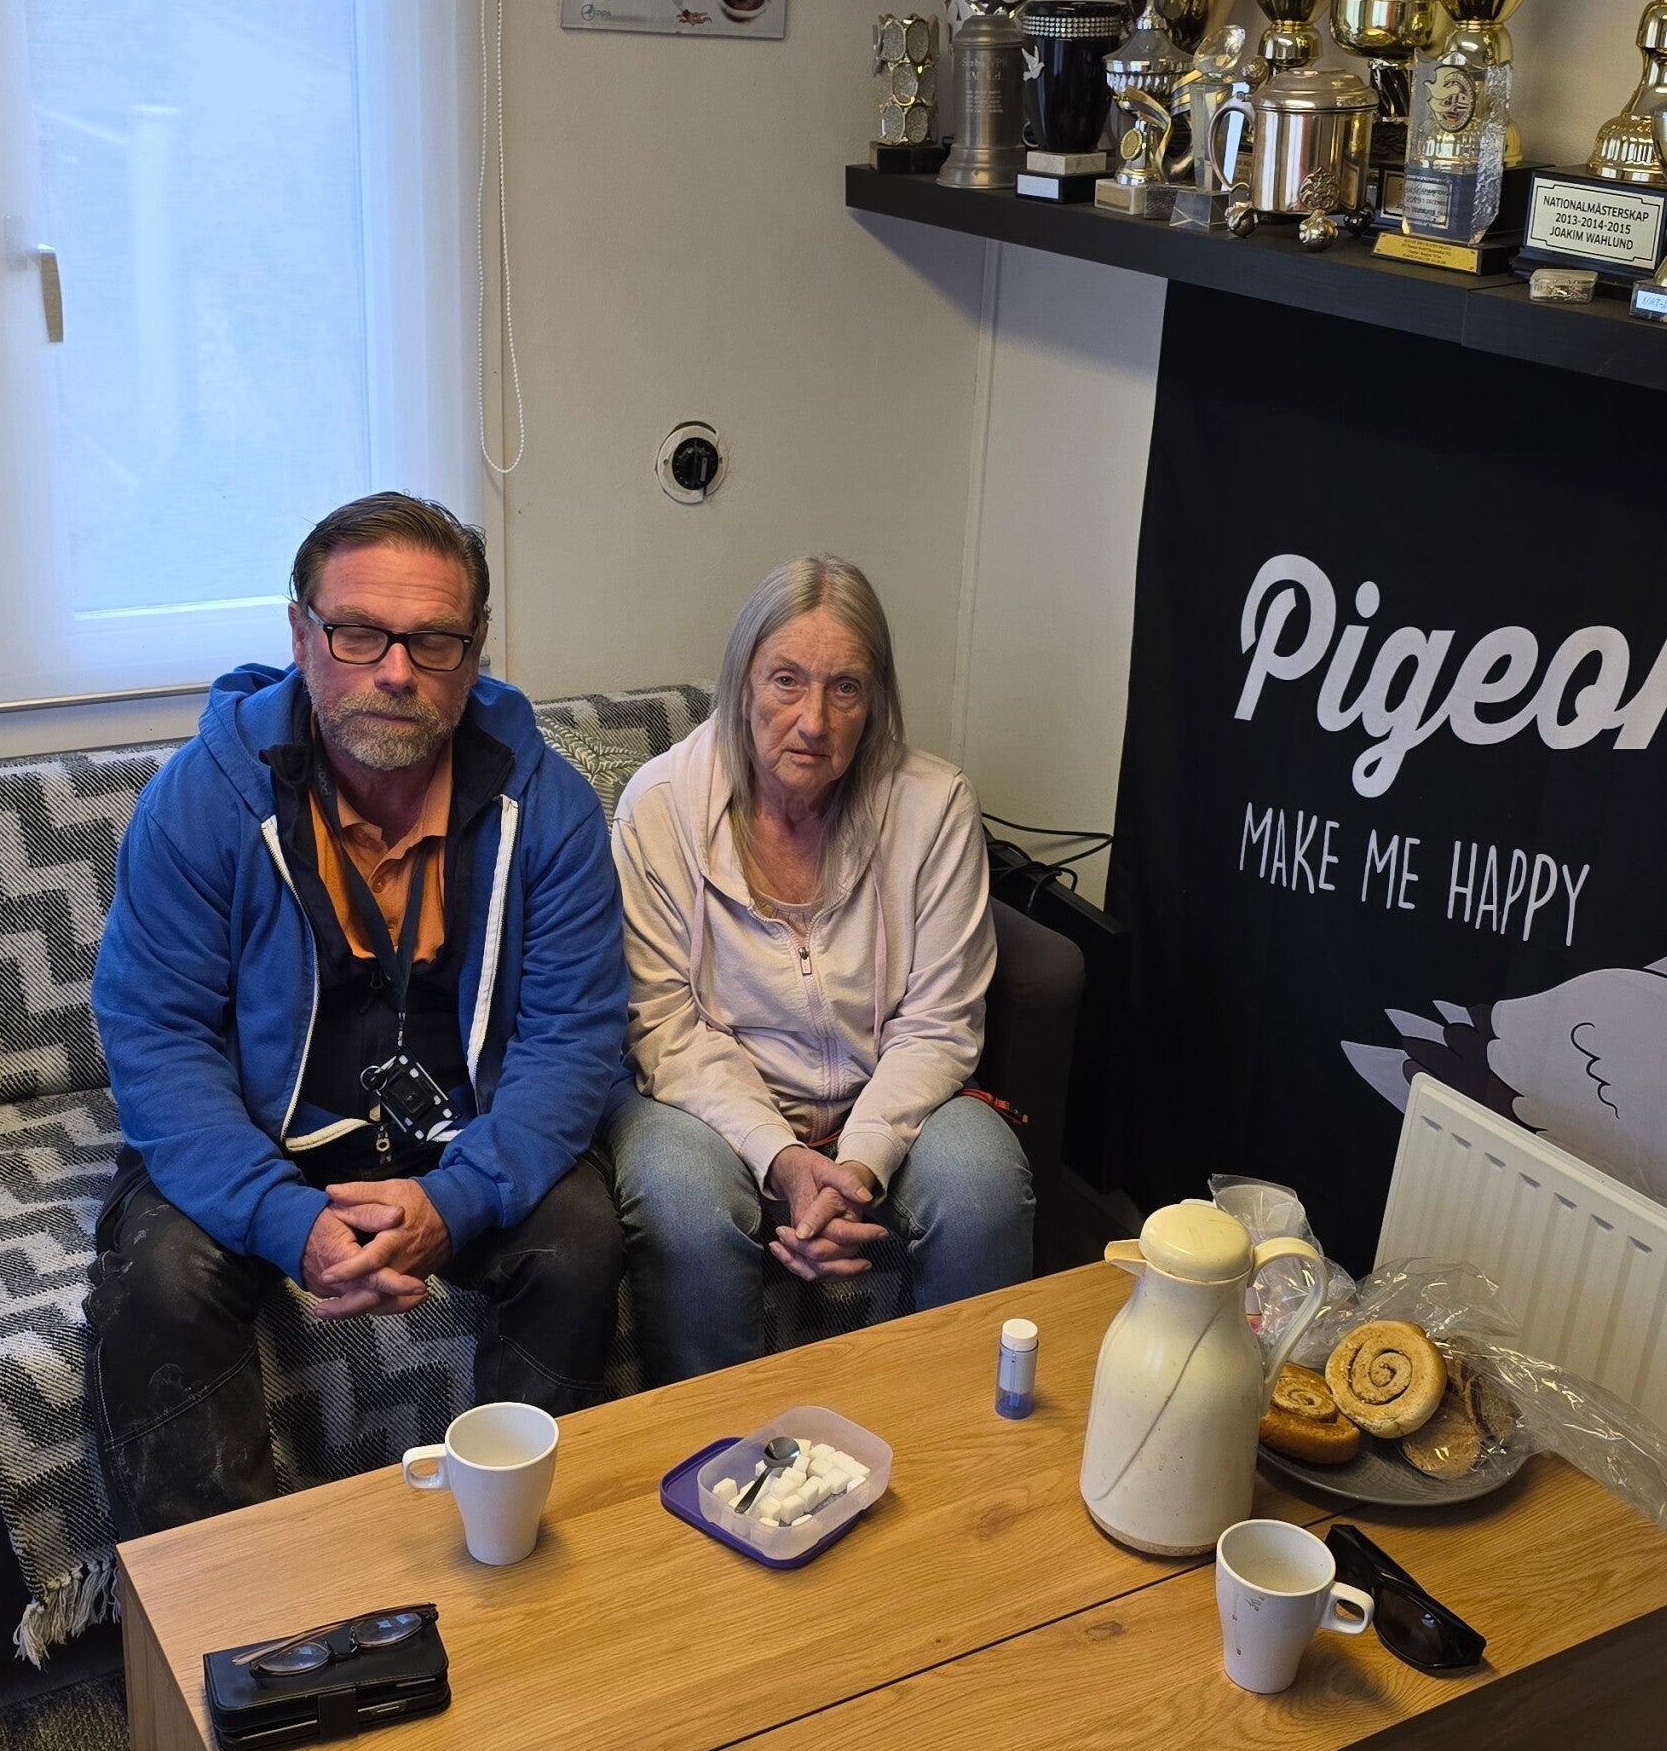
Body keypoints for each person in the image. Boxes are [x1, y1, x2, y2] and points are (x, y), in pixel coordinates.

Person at [86, 493, 628, 1535]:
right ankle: (221, 1596)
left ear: (473, 652)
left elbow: (572, 1042)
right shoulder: (200, 799)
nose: (395, 670)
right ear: (301, 635)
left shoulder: (550, 809)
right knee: (160, 1279)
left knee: (576, 1240)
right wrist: (285, 1219)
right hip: (255, 1136)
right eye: (358, 633)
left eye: (432, 640)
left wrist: (455, 1200)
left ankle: (519, 1548)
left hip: (463, 1139)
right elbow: (158, 1040)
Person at [605, 554, 1033, 1382]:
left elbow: (939, 1022)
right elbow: (665, 1028)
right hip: (706, 1104)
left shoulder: (934, 804)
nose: (813, 720)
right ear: (740, 681)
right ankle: (718, 1439)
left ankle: (968, 1433)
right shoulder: (657, 808)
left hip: (890, 1090)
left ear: (876, 700)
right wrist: (781, 1157)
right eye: (786, 680)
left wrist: (858, 1162)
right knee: (683, 1197)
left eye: (845, 688)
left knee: (981, 1179)